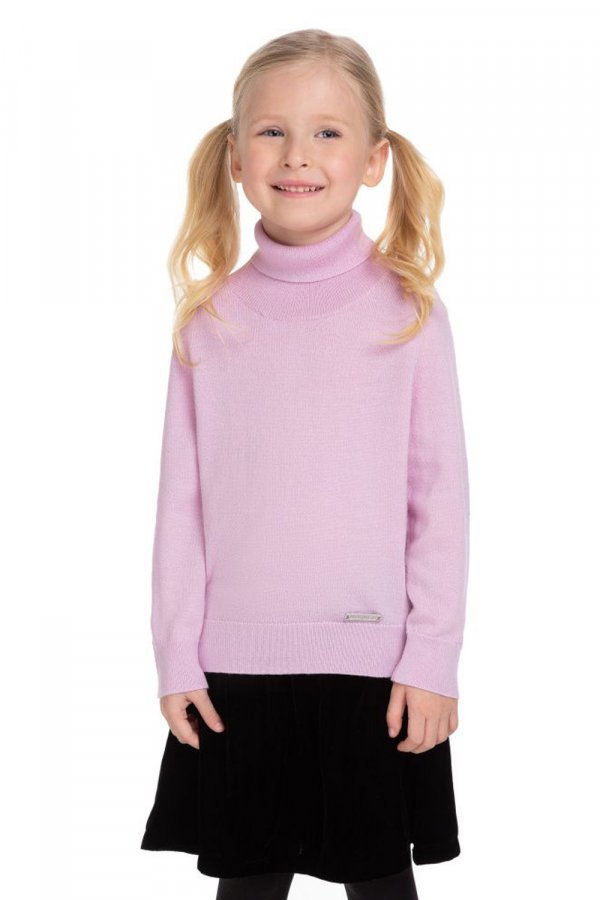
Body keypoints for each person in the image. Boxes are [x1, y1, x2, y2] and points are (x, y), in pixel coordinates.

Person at [140, 28, 470, 900]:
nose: (297, 154)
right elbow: (181, 505)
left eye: (327, 131)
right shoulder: (210, 320)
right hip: (233, 674)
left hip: (377, 675)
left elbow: (439, 501)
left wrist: (432, 657)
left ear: (374, 159)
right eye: (272, 131)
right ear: (235, 155)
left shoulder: (408, 313)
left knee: (382, 885)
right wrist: (177, 657)